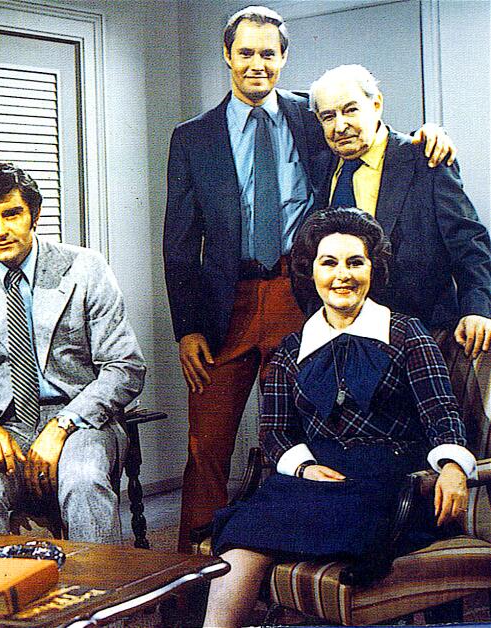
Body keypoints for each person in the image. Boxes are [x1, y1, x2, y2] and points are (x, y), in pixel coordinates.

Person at [164, 5, 456, 553]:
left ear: (283, 58)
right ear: (227, 55)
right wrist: (188, 328)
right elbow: (179, 243)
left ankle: (288, 551)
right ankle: (190, 574)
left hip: (298, 294)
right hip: (226, 305)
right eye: (245, 53)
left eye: (267, 54)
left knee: (307, 432)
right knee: (207, 444)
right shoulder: (192, 137)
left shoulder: (312, 117)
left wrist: (427, 136)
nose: (256, 64)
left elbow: (369, 136)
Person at [203, 207, 476, 627]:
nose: (342, 275)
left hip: (389, 479)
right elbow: (275, 432)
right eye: (329, 263)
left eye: (355, 262)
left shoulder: (408, 334)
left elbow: (442, 413)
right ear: (311, 272)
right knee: (242, 535)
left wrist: (454, 467)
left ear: (373, 269)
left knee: (348, 528)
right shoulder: (291, 349)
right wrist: (305, 468)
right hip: (314, 480)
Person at [0, 163, 145, 545]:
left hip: (83, 420)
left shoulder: (85, 268)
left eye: (11, 214)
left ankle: (98, 585)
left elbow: (125, 366)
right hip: (6, 424)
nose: (0, 230)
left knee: (83, 479)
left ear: (35, 214)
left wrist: (63, 424)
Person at [307, 64, 491, 359]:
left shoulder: (426, 158)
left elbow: (469, 241)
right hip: (343, 341)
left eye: (351, 110)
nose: (340, 126)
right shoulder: (321, 167)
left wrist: (477, 308)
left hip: (423, 334)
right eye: (328, 116)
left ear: (376, 104)